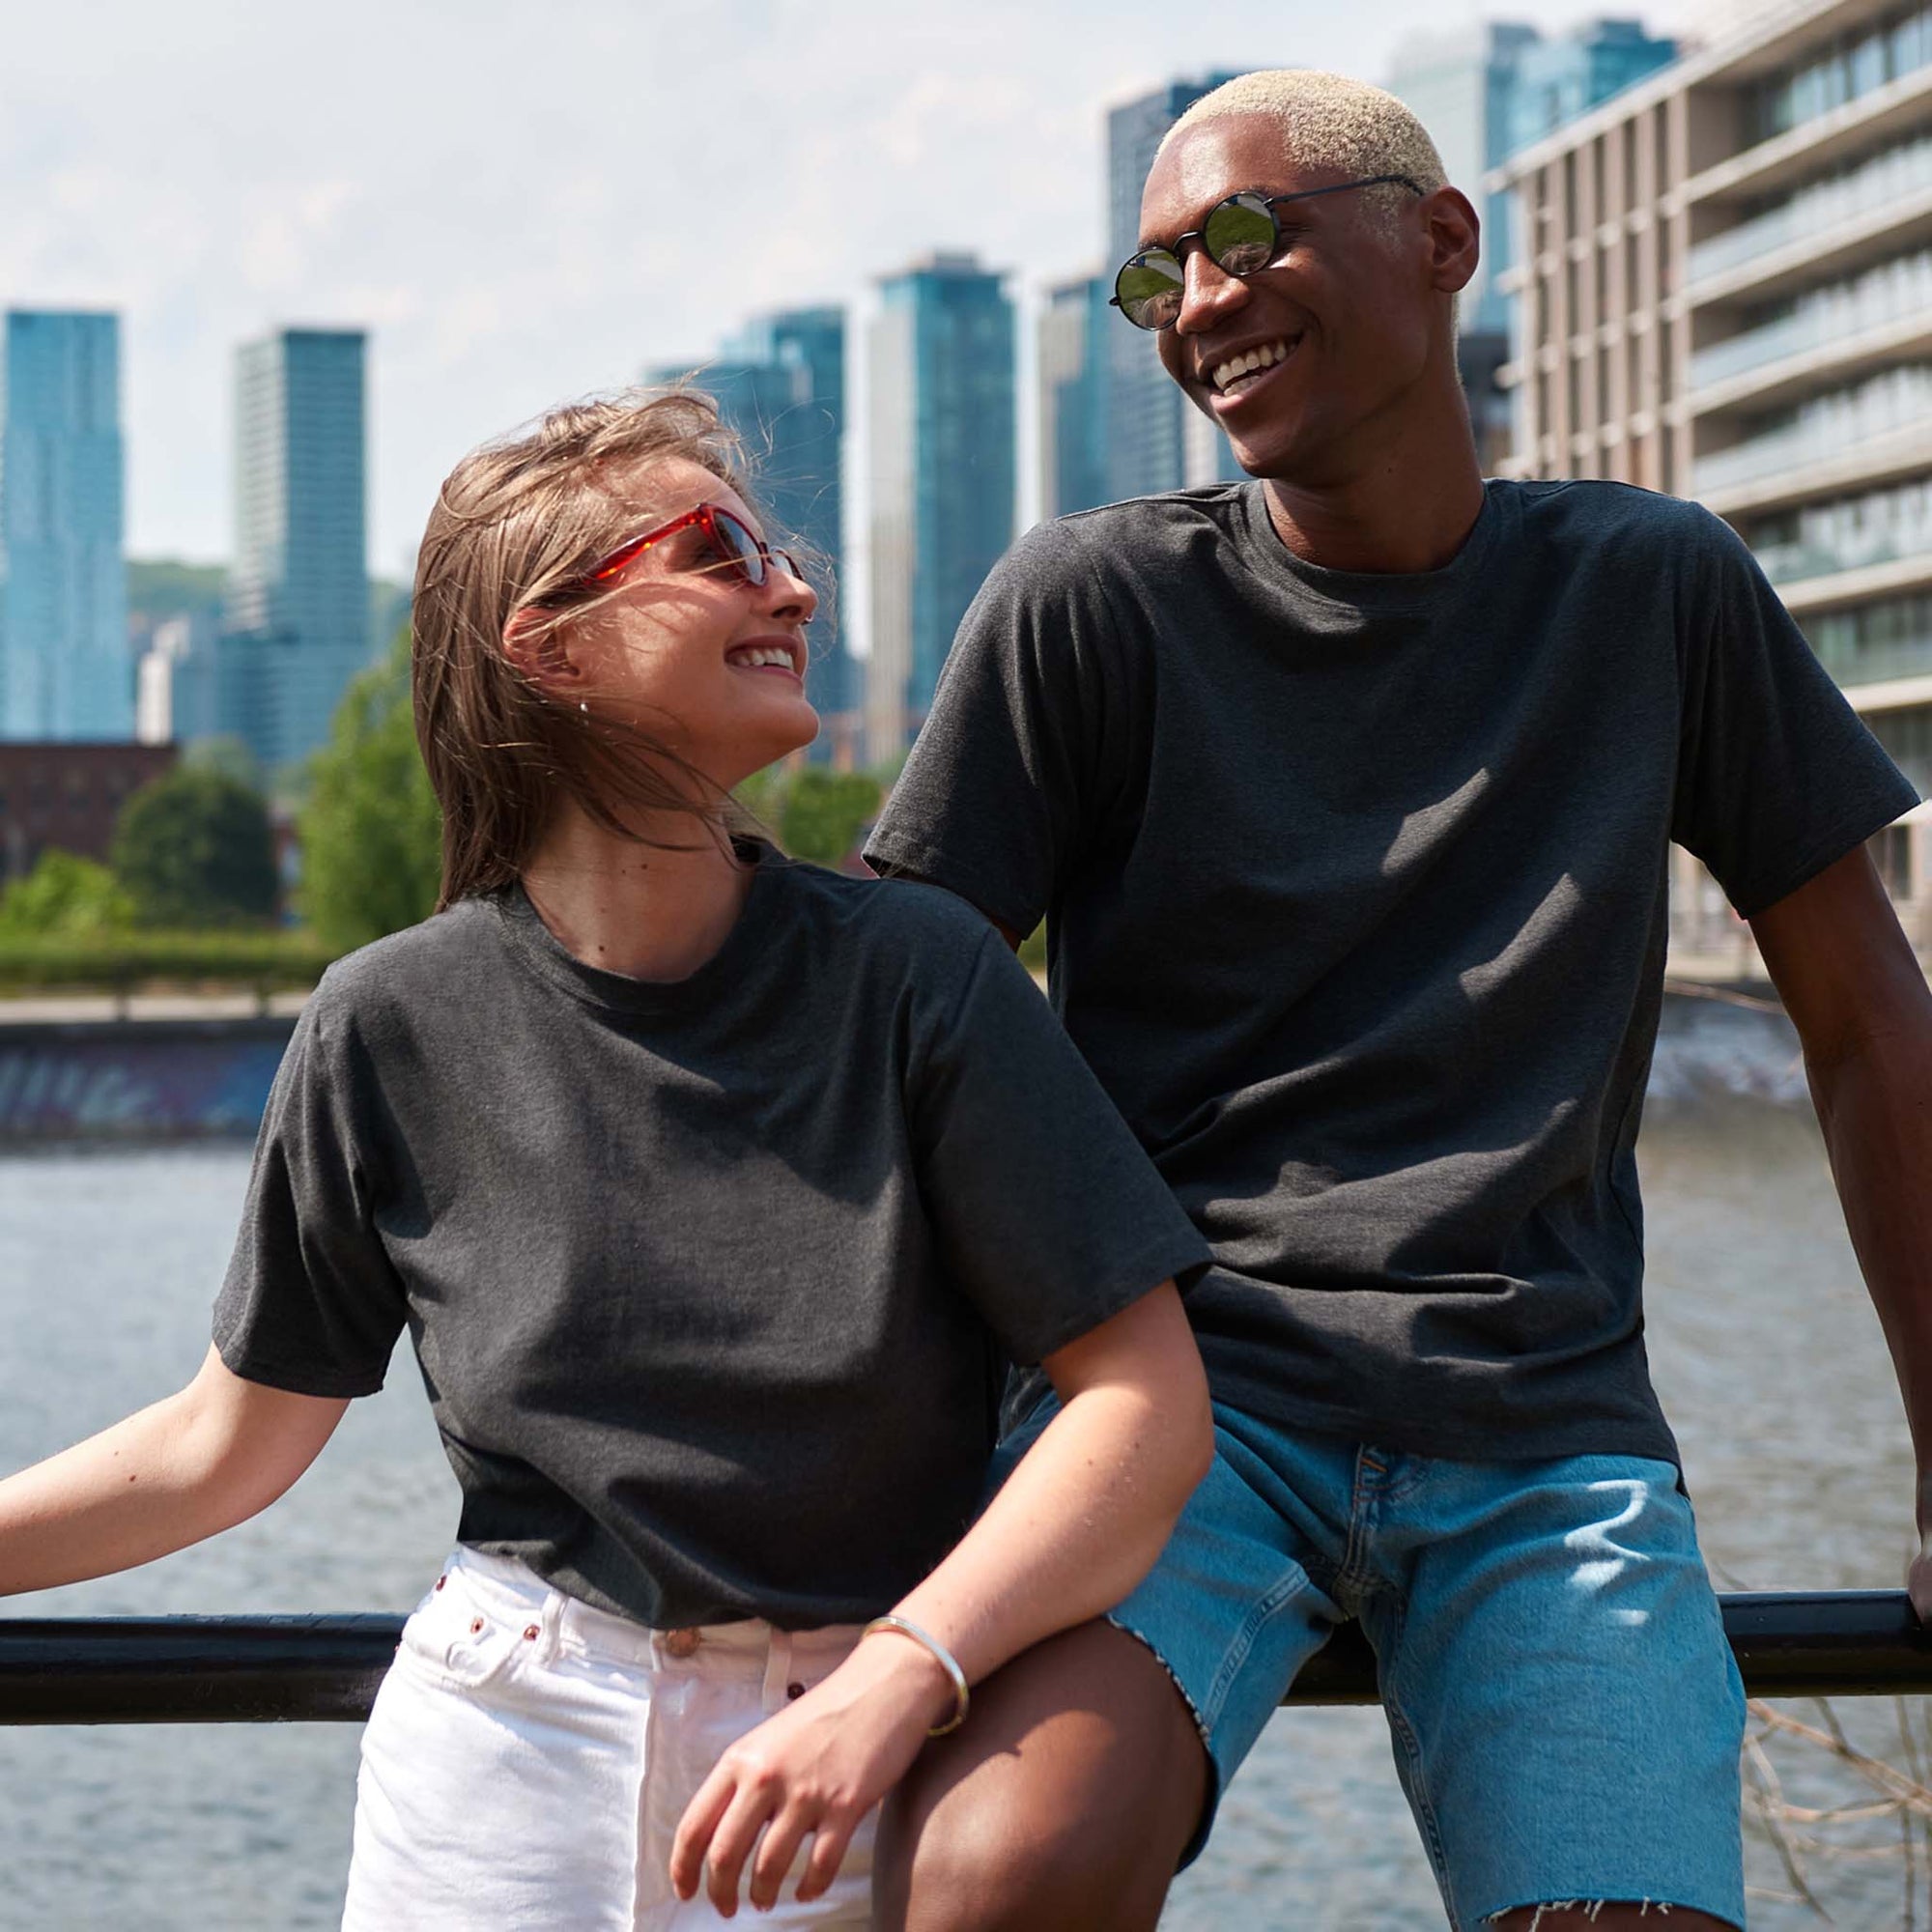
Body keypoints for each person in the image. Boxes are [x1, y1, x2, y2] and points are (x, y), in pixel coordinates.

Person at [862, 69, 1932, 1932]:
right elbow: (880, 1049)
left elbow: (1865, 1026)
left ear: (1444, 242)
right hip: (1176, 1420)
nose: (1198, 304)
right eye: (1155, 281)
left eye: (1247, 237)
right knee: (993, 1880)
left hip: (1547, 1436)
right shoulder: (1090, 611)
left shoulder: (1656, 591)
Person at [0, 391, 1215, 1929]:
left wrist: (909, 1673)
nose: (791, 589)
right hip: (497, 1751)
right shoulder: (389, 1021)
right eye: (717, 549)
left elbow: (1148, 1403)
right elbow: (222, 1446)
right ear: (548, 648)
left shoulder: (920, 979)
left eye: (777, 551)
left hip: (854, 1747)